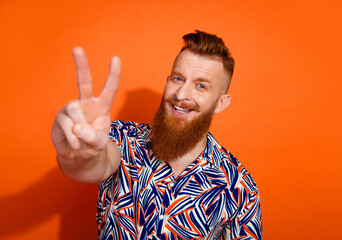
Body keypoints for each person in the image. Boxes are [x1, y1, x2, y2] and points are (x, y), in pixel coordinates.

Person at [51, 30, 262, 239]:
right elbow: (96, 164)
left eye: (200, 86)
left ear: (220, 103)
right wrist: (78, 155)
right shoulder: (123, 138)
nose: (180, 94)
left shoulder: (240, 187)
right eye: (178, 79)